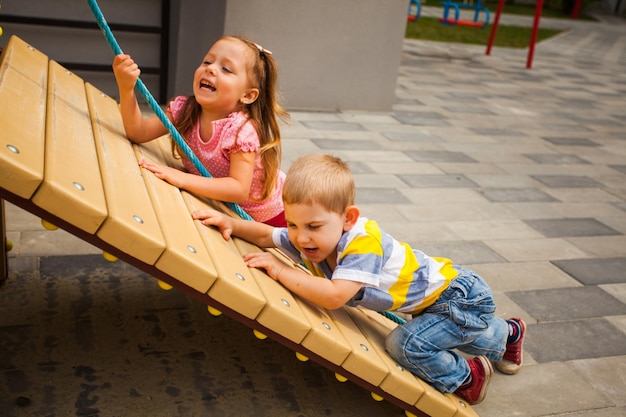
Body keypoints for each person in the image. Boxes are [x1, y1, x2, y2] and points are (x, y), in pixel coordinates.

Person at [192, 153, 526, 405]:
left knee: (406, 344)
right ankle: (509, 335)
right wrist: (232, 224)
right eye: (294, 224)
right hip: (440, 301)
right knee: (461, 329)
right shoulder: (312, 235)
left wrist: (281, 271)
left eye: (313, 227)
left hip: (456, 296)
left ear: (348, 218)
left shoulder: (362, 242)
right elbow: (269, 236)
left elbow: (335, 296)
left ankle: (468, 378)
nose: (300, 237)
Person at [112, 35, 289, 226]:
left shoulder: (240, 130)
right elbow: (139, 132)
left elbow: (238, 188)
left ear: (247, 95)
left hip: (272, 216)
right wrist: (126, 88)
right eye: (207, 61)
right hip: (224, 209)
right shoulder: (185, 111)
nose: (210, 69)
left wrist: (183, 178)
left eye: (226, 69)